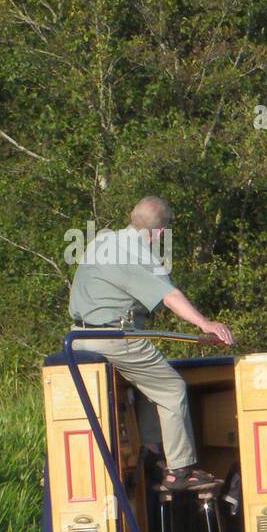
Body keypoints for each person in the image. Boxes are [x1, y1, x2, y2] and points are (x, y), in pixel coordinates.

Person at [68, 196, 233, 493]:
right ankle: (180, 470)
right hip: (114, 339)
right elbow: (171, 297)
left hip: (77, 338)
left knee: (148, 385)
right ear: (159, 233)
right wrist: (205, 324)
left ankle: (152, 453)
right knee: (172, 388)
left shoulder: (103, 240)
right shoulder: (140, 254)